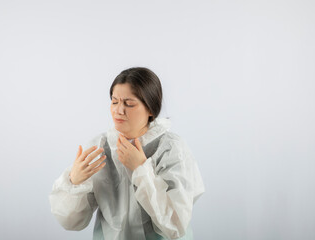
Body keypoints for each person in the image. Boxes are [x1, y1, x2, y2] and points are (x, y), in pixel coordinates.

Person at [49, 67, 205, 240]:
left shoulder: (171, 149)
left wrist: (141, 170)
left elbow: (176, 225)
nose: (118, 110)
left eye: (129, 104)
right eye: (114, 101)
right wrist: (74, 182)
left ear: (151, 109)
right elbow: (71, 222)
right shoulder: (99, 148)